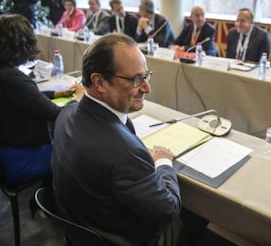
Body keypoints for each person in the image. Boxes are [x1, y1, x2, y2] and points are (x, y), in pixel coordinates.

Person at [52, 33, 208, 245]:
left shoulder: (67, 112)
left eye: (146, 76)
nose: (146, 88)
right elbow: (169, 208)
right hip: (124, 237)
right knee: (196, 213)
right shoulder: (125, 153)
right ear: (99, 82)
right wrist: (163, 162)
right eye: (136, 80)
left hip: (82, 227)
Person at [0, 14, 83, 186]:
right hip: (20, 160)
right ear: (23, 42)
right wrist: (79, 97)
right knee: (84, 151)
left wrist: (60, 94)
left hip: (8, 149)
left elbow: (27, 98)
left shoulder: (6, 74)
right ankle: (53, 203)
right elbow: (59, 115)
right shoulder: (12, 78)